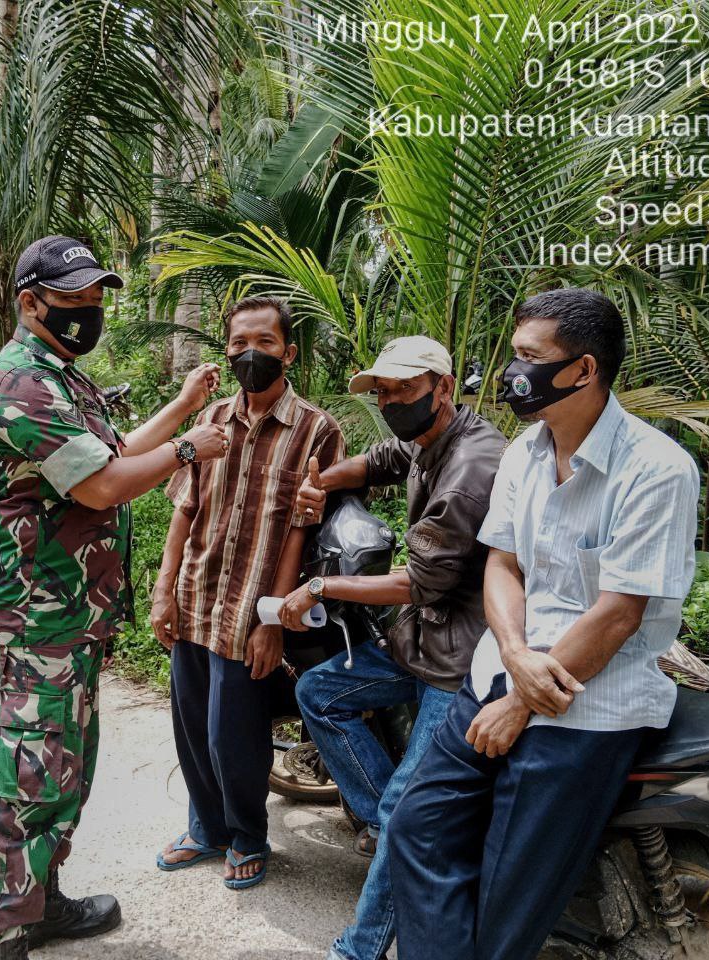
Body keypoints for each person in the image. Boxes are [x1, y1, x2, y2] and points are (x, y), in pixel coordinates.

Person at [385, 289, 700, 960]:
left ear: (583, 370)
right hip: (500, 676)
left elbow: (619, 612)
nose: (511, 371)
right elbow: (503, 564)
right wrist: (514, 655)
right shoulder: (525, 451)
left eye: (529, 357)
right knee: (417, 828)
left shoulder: (656, 470)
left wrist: (525, 700)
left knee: (507, 908)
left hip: (588, 708)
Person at [0, 235, 227, 960]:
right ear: (30, 303)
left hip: (68, 615)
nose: (90, 314)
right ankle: (8, 930)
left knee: (64, 768)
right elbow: (102, 486)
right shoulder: (20, 384)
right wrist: (188, 451)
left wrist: (181, 408)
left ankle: (41, 902)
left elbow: (109, 457)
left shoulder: (59, 375)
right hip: (36, 616)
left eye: (94, 301)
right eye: (75, 302)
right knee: (31, 773)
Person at [278, 336, 503, 960]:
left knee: (411, 808)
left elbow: (418, 581)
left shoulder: (470, 470)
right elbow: (377, 462)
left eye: (404, 389)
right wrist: (320, 483)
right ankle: (382, 826)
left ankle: (361, 947)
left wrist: (319, 585)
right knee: (319, 692)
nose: (392, 402)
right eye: (383, 392)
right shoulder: (433, 437)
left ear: (443, 386)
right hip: (425, 636)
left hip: (465, 658)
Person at [152, 295, 345, 891]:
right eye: (239, 343)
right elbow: (185, 510)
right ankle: (206, 827)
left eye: (264, 343)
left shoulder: (317, 428)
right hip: (195, 591)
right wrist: (163, 590)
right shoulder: (210, 421)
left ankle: (246, 834)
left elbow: (302, 529)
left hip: (252, 607)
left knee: (233, 732)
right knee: (189, 724)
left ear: (288, 352)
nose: (250, 354)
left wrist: (273, 620)